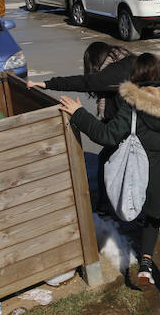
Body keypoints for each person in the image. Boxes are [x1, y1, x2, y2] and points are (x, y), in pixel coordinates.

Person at [58, 53, 160, 306]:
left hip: (147, 177)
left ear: (136, 77)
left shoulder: (133, 105)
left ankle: (145, 264)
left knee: (150, 214)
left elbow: (105, 136)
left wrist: (79, 113)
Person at [28, 42, 135, 214]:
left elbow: (87, 82)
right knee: (108, 160)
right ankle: (106, 205)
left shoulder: (116, 71)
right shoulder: (124, 63)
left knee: (117, 163)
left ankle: (109, 207)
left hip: (134, 130)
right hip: (131, 126)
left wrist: (48, 84)